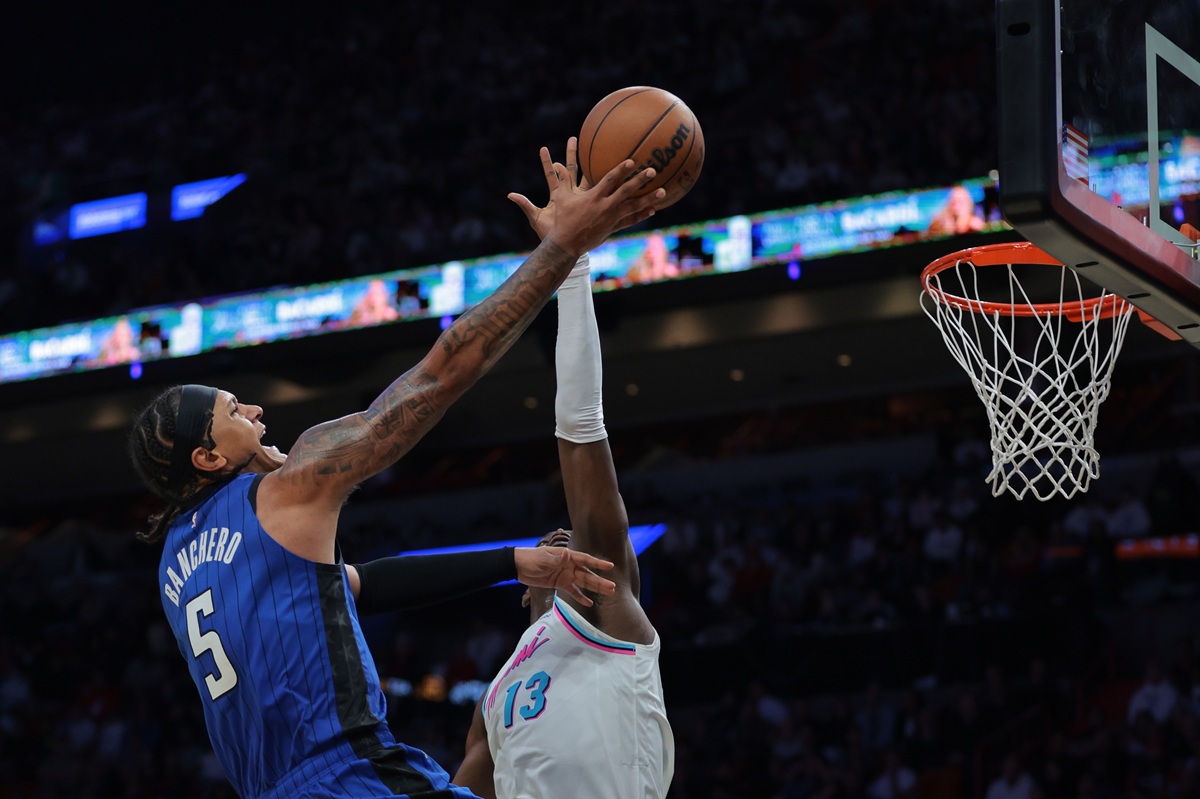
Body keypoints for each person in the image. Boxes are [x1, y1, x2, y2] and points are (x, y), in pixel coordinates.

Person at [125, 140, 666, 799]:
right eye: (236, 410)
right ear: (207, 458)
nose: (258, 411)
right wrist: (562, 252)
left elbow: (351, 586)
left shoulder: (179, 566)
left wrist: (511, 561)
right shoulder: (289, 486)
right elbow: (443, 372)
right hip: (349, 777)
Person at [454, 159, 674, 799]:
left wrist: (572, 265)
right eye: (553, 541)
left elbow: (581, 426)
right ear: (525, 589)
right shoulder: (494, 696)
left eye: (571, 536)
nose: (562, 538)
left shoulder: (605, 608)